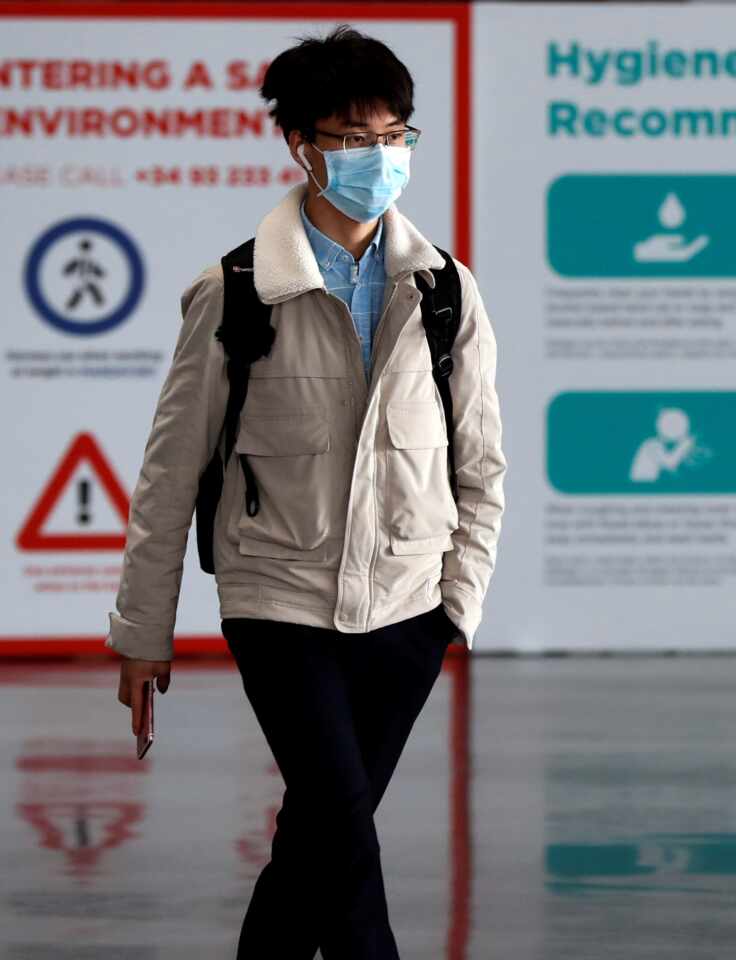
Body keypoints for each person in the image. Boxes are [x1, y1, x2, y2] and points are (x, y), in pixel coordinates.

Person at [103, 25, 506, 958]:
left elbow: (481, 463)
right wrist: (141, 634)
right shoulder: (238, 292)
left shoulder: (443, 290)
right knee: (343, 823)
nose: (381, 158)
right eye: (353, 139)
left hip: (408, 608)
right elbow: (172, 472)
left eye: (395, 136)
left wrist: (458, 603)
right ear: (301, 146)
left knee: (318, 838)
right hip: (278, 601)